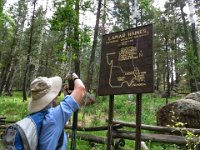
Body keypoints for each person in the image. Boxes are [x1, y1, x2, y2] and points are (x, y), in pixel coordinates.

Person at [28, 73, 85, 150]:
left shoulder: (33, 117)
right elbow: (80, 89)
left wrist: (67, 95)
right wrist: (74, 76)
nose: (56, 95)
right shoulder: (53, 118)